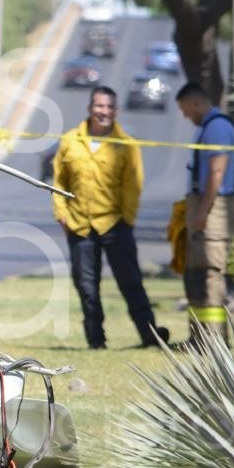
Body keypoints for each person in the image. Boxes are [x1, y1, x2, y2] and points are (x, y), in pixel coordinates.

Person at [52, 86, 167, 349]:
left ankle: (150, 336)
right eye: (99, 106)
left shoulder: (126, 145)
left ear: (116, 110)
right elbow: (58, 181)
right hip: (79, 225)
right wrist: (62, 214)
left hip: (115, 224)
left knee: (131, 283)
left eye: (109, 107)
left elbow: (133, 185)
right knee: (87, 287)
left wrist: (127, 220)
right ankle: (96, 340)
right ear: (90, 108)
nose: (104, 111)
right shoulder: (70, 140)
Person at [175, 82, 234, 344]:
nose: (184, 115)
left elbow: (217, 172)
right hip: (204, 207)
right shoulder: (208, 127)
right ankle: (198, 336)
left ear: (195, 103)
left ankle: (213, 339)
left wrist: (202, 211)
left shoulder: (217, 127)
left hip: (214, 209)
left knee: (211, 274)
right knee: (197, 273)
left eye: (184, 109)